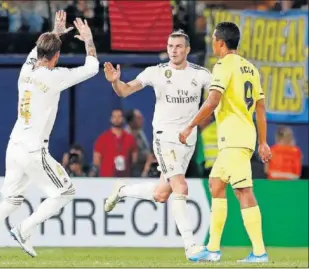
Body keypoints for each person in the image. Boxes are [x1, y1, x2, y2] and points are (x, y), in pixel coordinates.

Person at [0, 10, 99, 260]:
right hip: (34, 149)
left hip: (14, 146)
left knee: (12, 200)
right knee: (65, 192)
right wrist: (89, 39)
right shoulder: (55, 77)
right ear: (56, 56)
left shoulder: (26, 70)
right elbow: (92, 68)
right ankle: (24, 229)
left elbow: (40, 47)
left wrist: (56, 32)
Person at [103, 29, 212, 259]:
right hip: (165, 137)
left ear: (188, 50)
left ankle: (122, 190)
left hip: (188, 140)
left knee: (162, 194)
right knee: (181, 187)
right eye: (170, 46)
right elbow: (124, 91)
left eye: (178, 46)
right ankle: (191, 247)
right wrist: (115, 82)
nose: (173, 50)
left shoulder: (202, 75)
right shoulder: (155, 72)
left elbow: (216, 100)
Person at [179, 22, 272, 263]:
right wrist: (263, 142)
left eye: (213, 39)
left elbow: (212, 101)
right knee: (216, 184)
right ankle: (212, 249)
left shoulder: (222, 66)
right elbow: (260, 108)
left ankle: (260, 252)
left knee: (243, 191)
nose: (212, 43)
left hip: (233, 138)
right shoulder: (250, 68)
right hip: (241, 136)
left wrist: (190, 125)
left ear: (220, 42)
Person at [90, 109, 137, 178]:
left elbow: (134, 159)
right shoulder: (102, 138)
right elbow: (96, 161)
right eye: (114, 117)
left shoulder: (130, 138)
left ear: (123, 119)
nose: (116, 119)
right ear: (111, 119)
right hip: (106, 179)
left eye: (119, 116)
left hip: (125, 179)